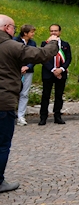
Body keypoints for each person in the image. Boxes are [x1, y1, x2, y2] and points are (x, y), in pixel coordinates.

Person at [0, 14, 60, 193]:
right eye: (13, 27)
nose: (14, 30)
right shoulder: (10, 45)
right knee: (2, 144)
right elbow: (41, 55)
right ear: (7, 28)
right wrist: (53, 42)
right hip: (4, 101)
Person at [39, 24, 71, 126]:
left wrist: (61, 69)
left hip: (61, 73)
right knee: (45, 95)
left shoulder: (65, 44)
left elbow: (68, 59)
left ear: (60, 32)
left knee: (59, 95)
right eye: (51, 31)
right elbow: (43, 58)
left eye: (56, 31)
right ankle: (43, 117)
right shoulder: (45, 44)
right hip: (48, 73)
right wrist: (53, 70)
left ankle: (57, 115)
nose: (53, 33)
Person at [13, 24, 36, 126]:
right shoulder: (14, 41)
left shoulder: (32, 43)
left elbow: (35, 56)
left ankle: (21, 115)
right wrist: (19, 67)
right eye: (31, 32)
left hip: (28, 71)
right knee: (13, 92)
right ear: (25, 33)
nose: (33, 34)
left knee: (24, 93)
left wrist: (28, 66)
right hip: (15, 71)